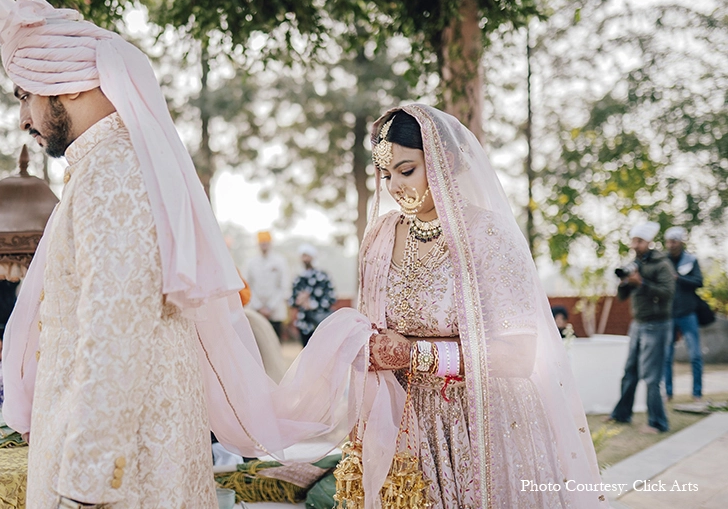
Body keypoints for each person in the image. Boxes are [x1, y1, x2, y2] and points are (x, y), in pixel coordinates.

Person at [0, 0, 237, 508]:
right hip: (136, 456)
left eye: (23, 95)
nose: (23, 118)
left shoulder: (114, 170)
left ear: (68, 85)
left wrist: (86, 482)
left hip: (120, 478)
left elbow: (115, 332)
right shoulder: (108, 163)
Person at [347, 105, 606, 507]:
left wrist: (417, 354)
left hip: (478, 422)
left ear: (443, 160)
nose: (395, 186)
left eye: (407, 169)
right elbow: (368, 328)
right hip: (403, 421)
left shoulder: (488, 234)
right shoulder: (380, 234)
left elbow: (519, 356)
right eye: (385, 174)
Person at [608, 222, 675, 433]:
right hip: (637, 324)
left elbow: (668, 292)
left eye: (639, 241)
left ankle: (658, 423)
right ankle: (621, 415)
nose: (635, 245)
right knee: (630, 371)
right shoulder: (634, 264)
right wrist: (624, 284)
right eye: (633, 241)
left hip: (657, 325)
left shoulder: (662, 264)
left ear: (648, 242)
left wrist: (642, 283)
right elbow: (621, 298)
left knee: (652, 376)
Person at [662, 226, 704, 402]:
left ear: (681, 242)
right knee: (667, 356)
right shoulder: (662, 260)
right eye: (669, 241)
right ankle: (668, 393)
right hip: (668, 315)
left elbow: (699, 281)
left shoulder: (690, 260)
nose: (671, 244)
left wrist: (679, 278)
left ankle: (697, 393)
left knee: (695, 355)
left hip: (687, 314)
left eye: (674, 241)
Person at [289, 243, 336, 346]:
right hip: (304, 323)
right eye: (303, 256)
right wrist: (299, 300)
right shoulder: (298, 278)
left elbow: (331, 298)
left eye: (307, 256)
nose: (305, 259)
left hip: (321, 322)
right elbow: (292, 301)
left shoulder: (323, 276)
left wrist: (312, 304)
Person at [245, 231, 290, 338]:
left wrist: (270, 307)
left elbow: (283, 286)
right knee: (258, 342)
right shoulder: (251, 262)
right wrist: (259, 306)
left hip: (275, 310)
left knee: (275, 341)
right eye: (261, 243)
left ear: (270, 243)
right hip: (256, 308)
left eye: (266, 242)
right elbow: (248, 285)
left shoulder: (280, 261)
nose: (264, 245)